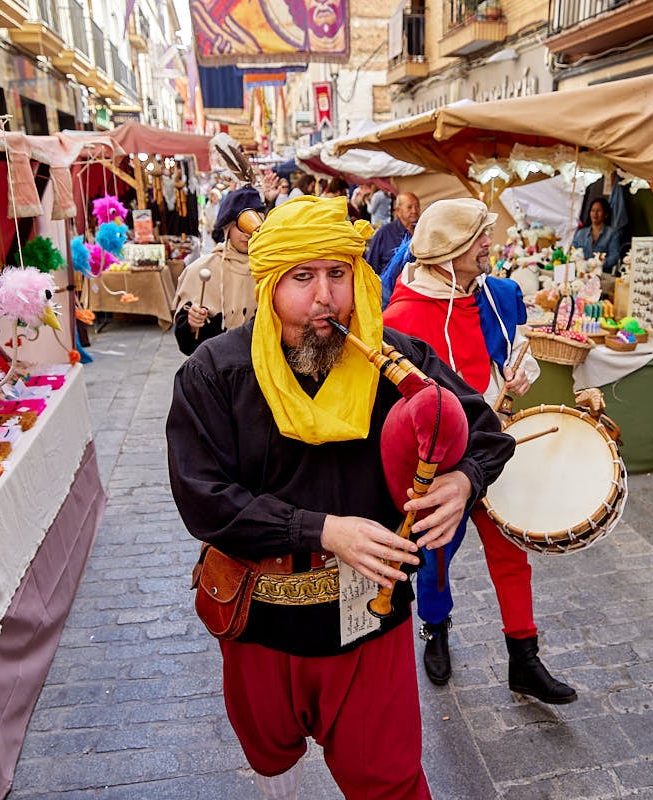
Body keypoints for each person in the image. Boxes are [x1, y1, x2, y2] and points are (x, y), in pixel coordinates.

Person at [166, 195, 514, 799]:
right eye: (302, 277)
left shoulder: (397, 363)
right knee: (269, 757)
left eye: (338, 274)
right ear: (271, 283)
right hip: (259, 622)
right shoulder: (215, 372)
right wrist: (324, 531)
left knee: (390, 781)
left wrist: (464, 481)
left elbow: (485, 432)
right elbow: (204, 498)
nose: (324, 297)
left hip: (368, 621)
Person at [381, 198, 577, 703]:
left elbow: (512, 352)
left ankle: (523, 657)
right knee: (435, 556)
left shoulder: (501, 295)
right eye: (479, 237)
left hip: (494, 445)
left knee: (511, 551)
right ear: (450, 252)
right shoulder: (401, 314)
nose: (490, 244)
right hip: (441, 461)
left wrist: (519, 374)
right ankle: (436, 629)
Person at [171, 186, 264, 356]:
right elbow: (186, 343)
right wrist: (192, 324)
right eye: (240, 226)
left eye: (252, 226)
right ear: (228, 227)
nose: (246, 234)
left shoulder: (270, 268)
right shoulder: (201, 269)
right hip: (217, 367)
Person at [366, 191, 420, 275]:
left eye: (417, 206)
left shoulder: (422, 232)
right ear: (398, 211)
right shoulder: (384, 233)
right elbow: (370, 266)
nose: (414, 211)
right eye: (409, 207)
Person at [571, 198, 622, 275]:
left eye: (598, 211)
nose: (595, 214)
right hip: (581, 273)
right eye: (592, 210)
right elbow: (572, 251)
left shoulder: (612, 233)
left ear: (606, 214)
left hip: (602, 274)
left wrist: (598, 263)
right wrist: (581, 263)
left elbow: (614, 257)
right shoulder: (580, 233)